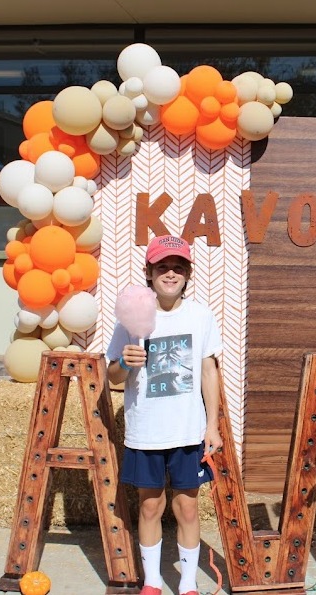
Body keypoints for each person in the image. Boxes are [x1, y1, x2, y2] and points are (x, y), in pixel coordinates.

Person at [107, 234, 223, 595]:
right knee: (150, 507)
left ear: (188, 273)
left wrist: (212, 425)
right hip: (146, 431)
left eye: (177, 267)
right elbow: (111, 377)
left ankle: (188, 585)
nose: (170, 273)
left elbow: (208, 372)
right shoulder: (131, 317)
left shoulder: (201, 315)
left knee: (188, 510)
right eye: (162, 267)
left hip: (187, 432)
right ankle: (153, 582)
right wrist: (125, 362)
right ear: (149, 272)